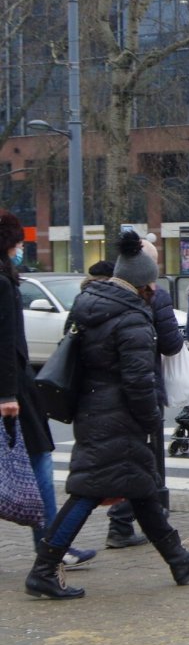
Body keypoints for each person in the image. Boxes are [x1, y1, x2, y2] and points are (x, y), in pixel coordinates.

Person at [23, 231, 189, 599]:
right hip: (119, 414)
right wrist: (150, 422)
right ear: (144, 283)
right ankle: (44, 569)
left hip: (94, 407)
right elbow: (139, 380)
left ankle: (178, 558)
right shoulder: (131, 319)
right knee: (87, 492)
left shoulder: (90, 302)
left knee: (140, 487)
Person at [0, 210, 97, 569]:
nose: (21, 249)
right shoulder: (4, 282)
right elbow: (7, 341)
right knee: (39, 460)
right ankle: (53, 545)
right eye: (18, 243)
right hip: (14, 390)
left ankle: (52, 543)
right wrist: (8, 395)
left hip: (14, 387)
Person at [103, 233, 184, 551]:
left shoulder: (99, 294)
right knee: (140, 462)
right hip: (141, 390)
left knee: (127, 461)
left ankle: (171, 550)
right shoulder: (154, 297)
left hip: (103, 394)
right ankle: (122, 524)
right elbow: (171, 344)